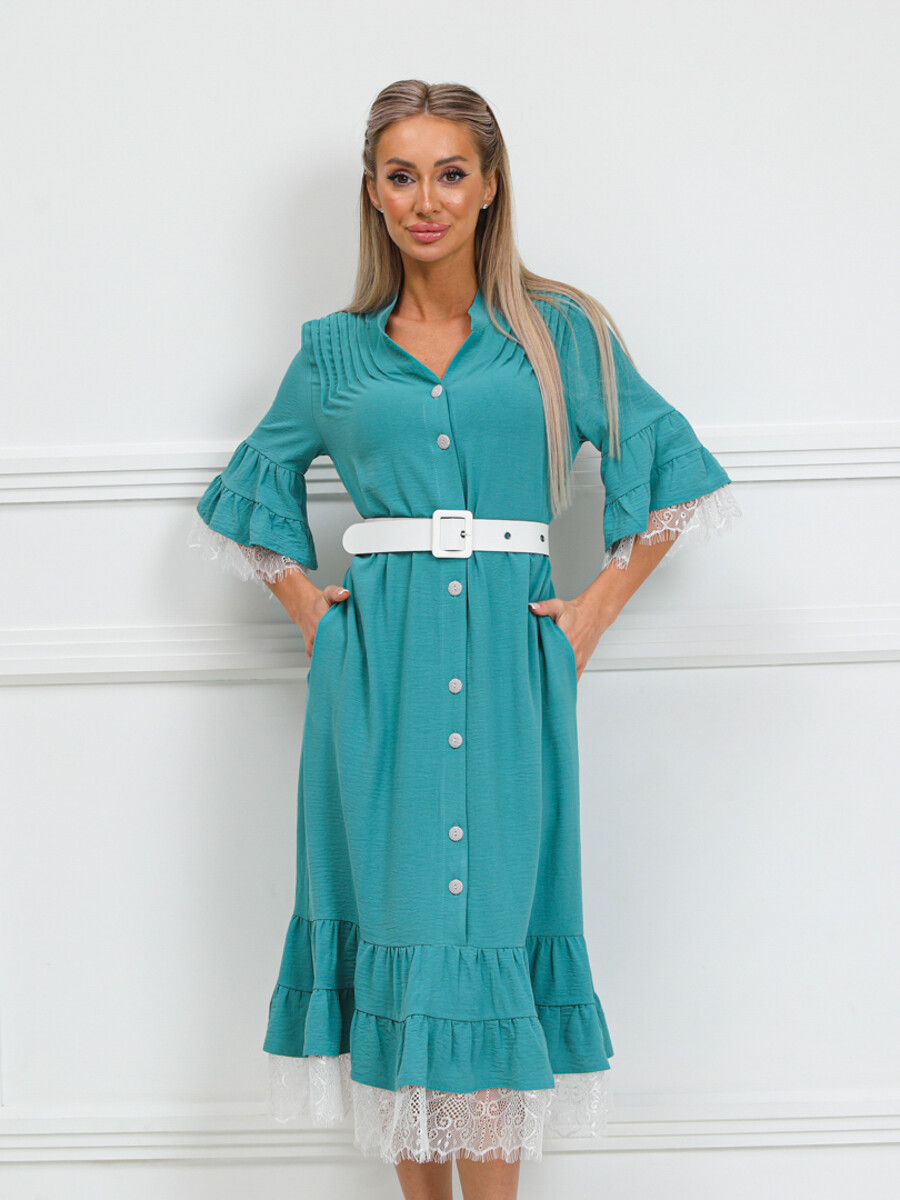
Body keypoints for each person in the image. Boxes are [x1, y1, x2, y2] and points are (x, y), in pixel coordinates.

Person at [188, 79, 741, 1200]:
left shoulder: (559, 332)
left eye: (450, 174)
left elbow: (669, 464)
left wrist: (594, 608)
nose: (426, 200)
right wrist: (308, 611)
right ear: (373, 193)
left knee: (489, 936)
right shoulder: (334, 354)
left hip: (508, 671)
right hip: (376, 683)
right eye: (401, 176)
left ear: (490, 186)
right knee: (401, 935)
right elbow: (250, 488)